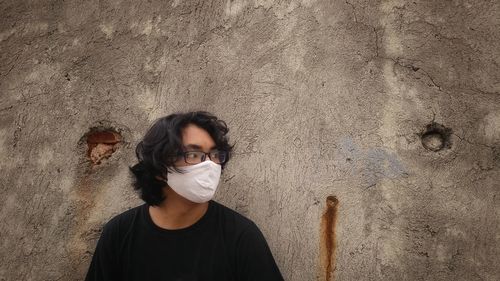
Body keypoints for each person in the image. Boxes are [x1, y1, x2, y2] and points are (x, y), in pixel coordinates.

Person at [85, 111, 283, 281]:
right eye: (194, 155)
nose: (210, 165)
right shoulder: (120, 234)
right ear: (160, 169)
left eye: (215, 155)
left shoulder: (241, 236)